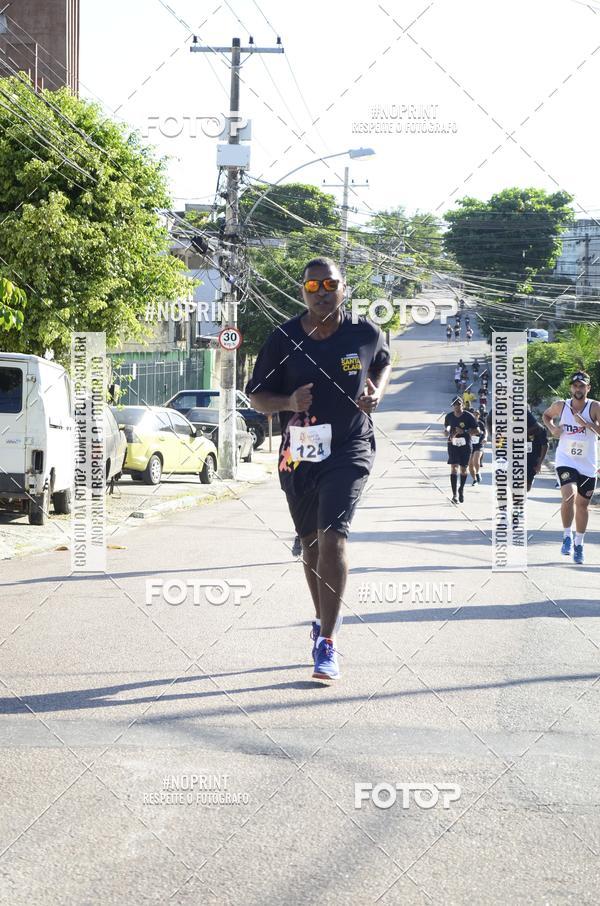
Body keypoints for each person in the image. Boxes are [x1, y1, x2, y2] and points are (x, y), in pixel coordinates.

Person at [247, 256, 391, 678]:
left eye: (329, 285)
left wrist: (376, 391)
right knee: (310, 543)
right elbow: (257, 395)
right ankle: (321, 621)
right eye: (312, 287)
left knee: (333, 538)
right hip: (300, 453)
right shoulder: (283, 338)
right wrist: (290, 402)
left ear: (343, 288)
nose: (321, 292)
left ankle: (328, 641)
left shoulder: (365, 332)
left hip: (350, 446)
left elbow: (383, 361)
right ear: (302, 291)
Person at [543, 371, 600, 564]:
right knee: (569, 495)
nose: (578, 389)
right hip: (565, 459)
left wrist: (588, 424)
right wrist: (552, 429)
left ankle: (579, 544)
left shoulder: (595, 407)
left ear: (588, 388)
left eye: (582, 386)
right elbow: (546, 416)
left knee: (583, 505)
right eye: (575, 386)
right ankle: (567, 536)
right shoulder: (562, 406)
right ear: (571, 388)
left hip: (588, 463)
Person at [444, 398, 479, 503]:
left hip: (465, 446)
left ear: (462, 405)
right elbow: (446, 430)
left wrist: (465, 431)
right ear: (452, 406)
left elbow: (477, 431)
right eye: (455, 405)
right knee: (454, 468)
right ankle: (454, 494)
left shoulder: (469, 416)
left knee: (463, 470)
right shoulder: (449, 416)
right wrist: (447, 433)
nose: (457, 406)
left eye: (459, 404)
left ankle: (461, 489)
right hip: (453, 445)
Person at [526, 409, 548, 493]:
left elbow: (545, 445)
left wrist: (539, 464)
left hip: (531, 461)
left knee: (527, 486)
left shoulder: (540, 429)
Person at [468, 408, 487, 484]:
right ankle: (475, 479)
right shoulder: (468, 423)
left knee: (476, 460)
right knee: (470, 465)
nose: (476, 416)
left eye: (477, 414)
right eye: (474, 414)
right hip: (470, 445)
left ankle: (478, 472)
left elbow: (486, 432)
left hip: (479, 444)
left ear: (479, 415)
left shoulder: (481, 423)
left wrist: (485, 438)